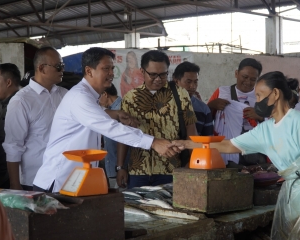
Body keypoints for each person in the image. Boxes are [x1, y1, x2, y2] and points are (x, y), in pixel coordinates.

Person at [174, 71, 300, 240]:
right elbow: (228, 145)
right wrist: (186, 144)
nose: (257, 102)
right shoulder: (266, 128)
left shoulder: (299, 121)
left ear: (275, 94)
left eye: (260, 96)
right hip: (294, 194)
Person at [33, 47, 180, 193]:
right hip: (57, 180)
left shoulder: (88, 96)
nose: (111, 74)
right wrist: (153, 142)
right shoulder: (80, 97)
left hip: (73, 180)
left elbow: (94, 116)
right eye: (106, 69)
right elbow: (110, 128)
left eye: (112, 68)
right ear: (89, 71)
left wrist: (114, 113)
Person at [117, 50, 197, 189]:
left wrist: (193, 161)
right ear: (142, 71)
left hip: (171, 169)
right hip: (138, 171)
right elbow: (123, 135)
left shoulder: (180, 94)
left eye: (163, 74)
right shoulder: (130, 98)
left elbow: (191, 130)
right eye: (153, 74)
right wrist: (120, 167)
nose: (158, 79)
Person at [3, 47, 68, 191]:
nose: (62, 69)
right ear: (42, 68)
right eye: (58, 66)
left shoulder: (64, 95)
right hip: (35, 180)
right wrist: (15, 186)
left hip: (63, 177)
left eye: (62, 66)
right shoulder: (21, 101)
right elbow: (13, 146)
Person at [207, 58, 265, 168]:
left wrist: (260, 117)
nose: (248, 82)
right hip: (227, 146)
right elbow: (206, 118)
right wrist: (211, 106)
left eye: (253, 79)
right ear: (236, 73)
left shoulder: (262, 97)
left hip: (252, 149)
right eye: (245, 77)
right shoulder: (222, 92)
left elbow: (273, 122)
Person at [0, 63, 21, 189]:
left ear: (8, 82)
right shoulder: (1, 104)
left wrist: (14, 182)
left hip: (10, 174)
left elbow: (16, 145)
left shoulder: (18, 105)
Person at [172, 61, 213, 136]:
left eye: (195, 82)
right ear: (176, 81)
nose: (193, 86)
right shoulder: (164, 104)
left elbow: (208, 140)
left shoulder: (203, 109)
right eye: (188, 82)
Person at [98, 84, 123, 188]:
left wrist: (121, 167)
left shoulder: (120, 109)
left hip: (120, 167)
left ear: (104, 94)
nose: (97, 102)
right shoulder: (110, 109)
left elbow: (123, 140)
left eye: (97, 98)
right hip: (113, 165)